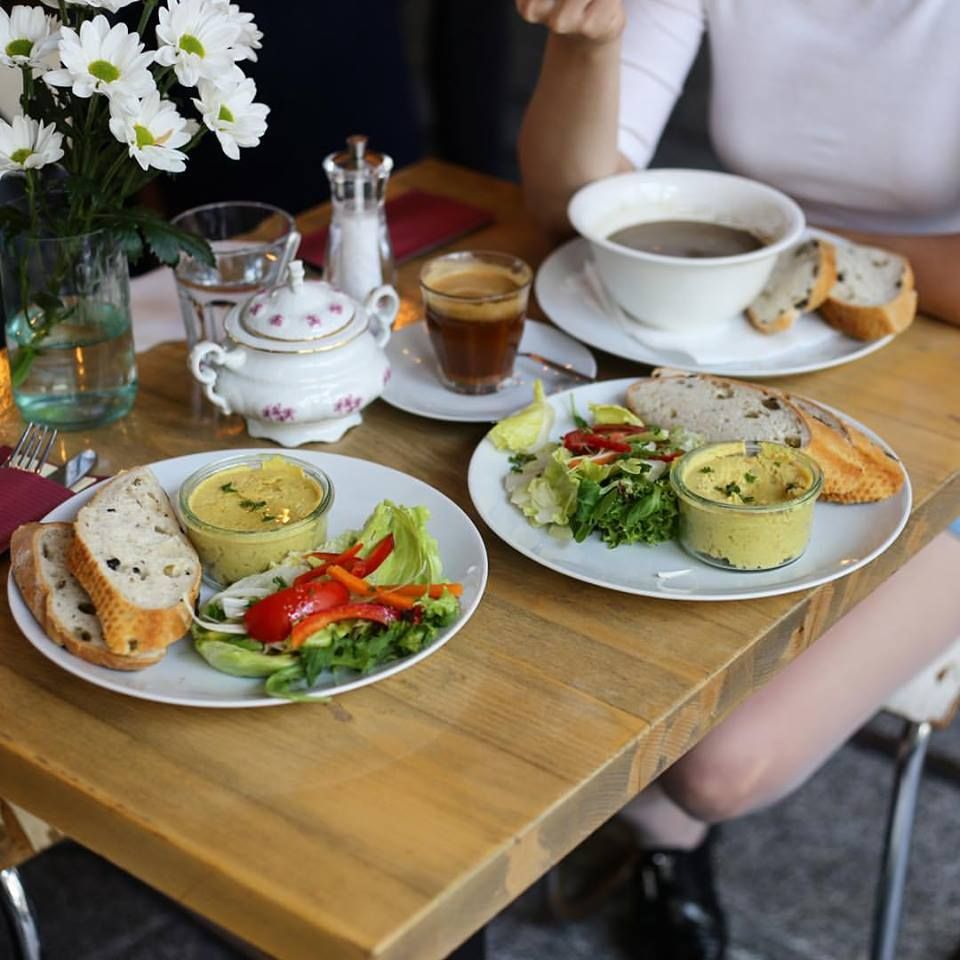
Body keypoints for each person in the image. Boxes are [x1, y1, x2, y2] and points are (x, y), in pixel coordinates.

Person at [514, 2, 960, 957]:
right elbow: (569, 212)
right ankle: (655, 838)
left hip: (945, 422)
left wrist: (774, 249)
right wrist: (587, 40)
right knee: (545, 581)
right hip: (743, 360)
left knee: (719, 767)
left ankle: (662, 827)